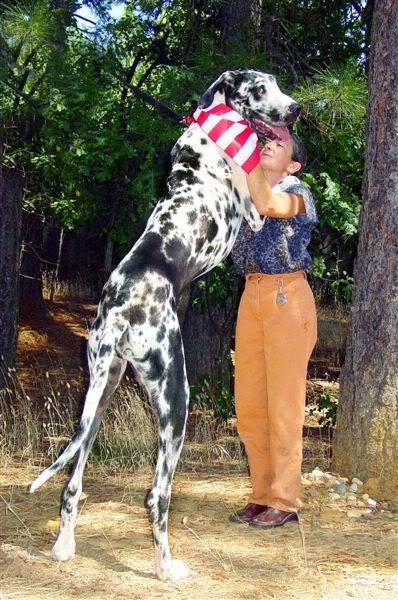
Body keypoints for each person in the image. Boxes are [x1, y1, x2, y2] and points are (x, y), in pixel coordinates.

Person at [230, 133, 318, 529]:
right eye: (264, 140)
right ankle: (261, 495)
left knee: (283, 407)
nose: (266, 145)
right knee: (250, 406)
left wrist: (243, 158)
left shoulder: (298, 193)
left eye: (278, 145)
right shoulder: (247, 185)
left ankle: (284, 499)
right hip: (252, 294)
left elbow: (269, 204)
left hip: (288, 296)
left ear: (293, 165)